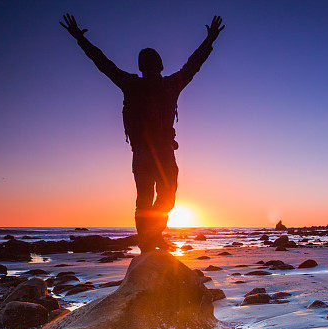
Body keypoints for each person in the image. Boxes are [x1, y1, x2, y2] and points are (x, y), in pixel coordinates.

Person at [60, 13, 224, 251]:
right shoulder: (164, 84)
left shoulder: (136, 84)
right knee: (161, 197)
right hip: (156, 153)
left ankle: (150, 237)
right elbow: (193, 65)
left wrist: (79, 38)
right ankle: (151, 238)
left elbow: (103, 63)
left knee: (150, 199)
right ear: (159, 65)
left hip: (148, 153)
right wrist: (209, 40)